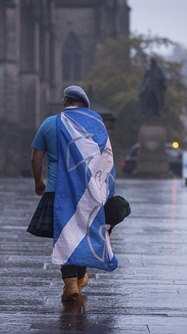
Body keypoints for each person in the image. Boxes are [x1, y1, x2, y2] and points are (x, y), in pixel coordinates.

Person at [29, 85, 118, 303]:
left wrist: (38, 181)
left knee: (66, 236)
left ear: (64, 101)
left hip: (57, 191)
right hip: (89, 192)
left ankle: (71, 285)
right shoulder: (96, 125)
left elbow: (35, 157)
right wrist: (107, 191)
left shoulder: (51, 123)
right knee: (84, 233)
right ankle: (78, 279)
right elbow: (106, 160)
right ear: (85, 105)